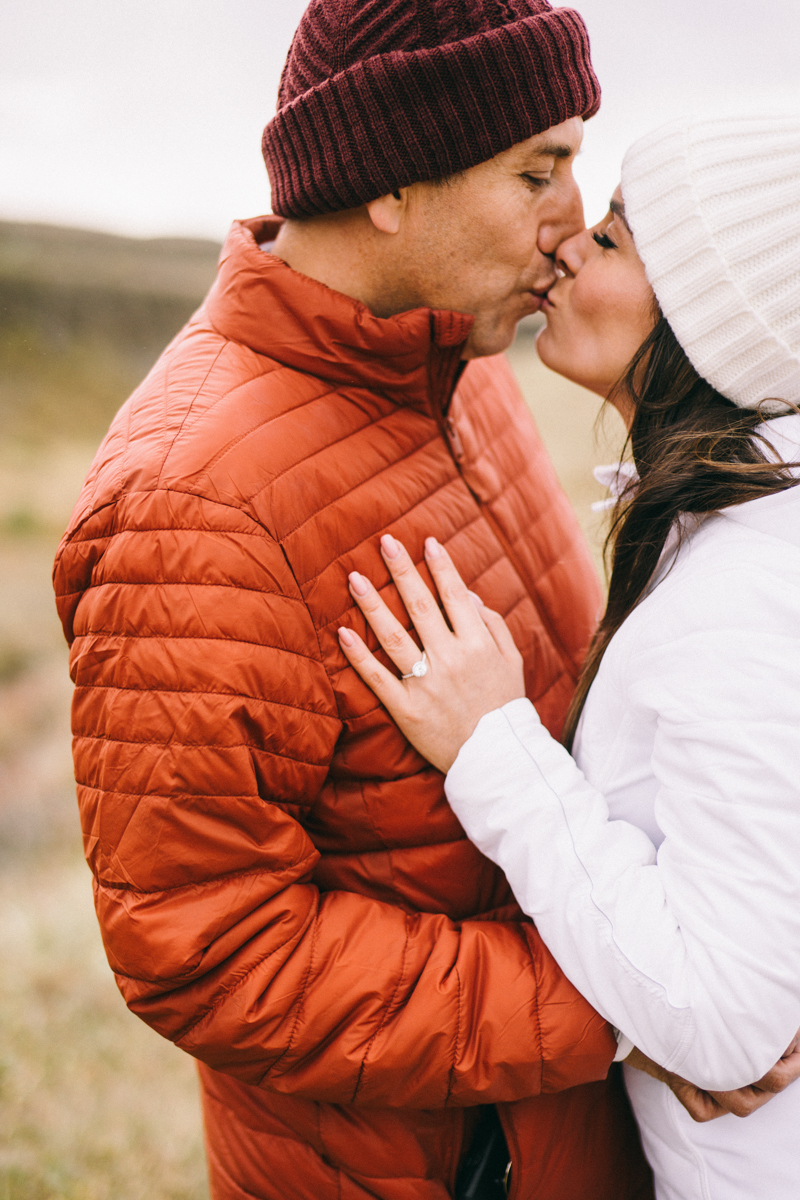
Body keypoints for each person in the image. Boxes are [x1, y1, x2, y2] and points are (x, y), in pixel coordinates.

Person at [51, 2, 663, 1197]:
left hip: (576, 1136)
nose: (570, 224)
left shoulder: (463, 379)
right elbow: (206, 947)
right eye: (536, 171)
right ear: (389, 183)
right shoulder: (192, 503)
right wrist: (627, 1006)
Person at [337, 115, 800, 1199]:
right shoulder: (738, 533)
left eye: (614, 238)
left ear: (702, 320)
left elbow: (730, 1027)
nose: (564, 247)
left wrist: (495, 751)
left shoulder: (740, 591)